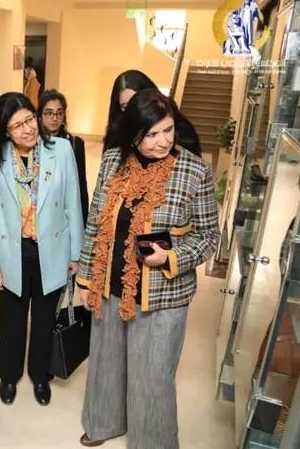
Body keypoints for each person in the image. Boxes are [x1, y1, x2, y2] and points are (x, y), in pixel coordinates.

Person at [76, 89, 219, 448]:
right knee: (106, 362)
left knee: (153, 377)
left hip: (163, 294)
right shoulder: (113, 160)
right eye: (151, 134)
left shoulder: (194, 170)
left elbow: (209, 236)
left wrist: (170, 257)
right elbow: (96, 221)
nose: (163, 141)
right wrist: (86, 278)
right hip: (110, 284)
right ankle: (104, 421)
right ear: (133, 135)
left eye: (168, 130)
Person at [0, 92, 84, 406]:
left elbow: (73, 203)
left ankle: (41, 375)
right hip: (13, 251)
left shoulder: (61, 149)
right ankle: (8, 375)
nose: (28, 129)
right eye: (17, 125)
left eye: (29, 119)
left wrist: (76, 253)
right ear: (4, 131)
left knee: (44, 317)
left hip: (52, 249)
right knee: (11, 318)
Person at [103, 70, 201, 157]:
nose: (132, 111)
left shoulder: (181, 132)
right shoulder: (116, 134)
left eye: (139, 102)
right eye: (125, 107)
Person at [37, 89, 89, 228]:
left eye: (59, 113)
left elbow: (81, 186)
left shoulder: (75, 144)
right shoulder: (33, 143)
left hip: (64, 213)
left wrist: (83, 224)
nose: (55, 118)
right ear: (40, 116)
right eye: (49, 113)